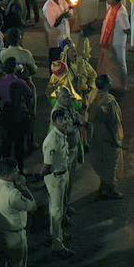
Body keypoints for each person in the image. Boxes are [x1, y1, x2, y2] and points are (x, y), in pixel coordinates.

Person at [42, 108, 76, 257]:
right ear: (54, 122)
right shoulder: (52, 140)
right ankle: (57, 245)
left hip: (62, 174)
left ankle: (56, 234)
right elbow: (47, 166)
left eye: (67, 118)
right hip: (56, 177)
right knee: (56, 212)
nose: (66, 121)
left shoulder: (61, 134)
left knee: (57, 208)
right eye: (62, 119)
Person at [88, 75, 124, 200]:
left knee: (102, 161)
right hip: (107, 135)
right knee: (111, 163)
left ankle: (103, 187)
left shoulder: (93, 96)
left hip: (95, 133)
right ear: (107, 84)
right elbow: (113, 122)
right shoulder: (109, 101)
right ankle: (111, 189)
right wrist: (116, 139)